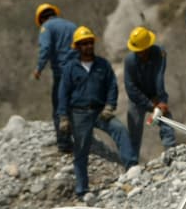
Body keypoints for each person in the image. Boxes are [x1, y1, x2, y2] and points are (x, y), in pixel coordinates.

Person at [56, 26, 138, 198]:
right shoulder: (70, 68)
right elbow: (63, 93)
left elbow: (112, 86)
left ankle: (132, 168)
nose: (88, 46)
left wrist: (110, 106)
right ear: (77, 47)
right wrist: (63, 116)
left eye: (90, 42)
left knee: (120, 130)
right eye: (84, 43)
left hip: (101, 112)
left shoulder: (103, 65)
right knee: (81, 150)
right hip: (79, 114)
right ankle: (82, 189)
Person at [123, 26, 177, 158]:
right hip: (137, 99)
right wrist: (150, 105)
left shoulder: (159, 53)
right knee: (134, 127)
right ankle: (132, 162)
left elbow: (159, 77)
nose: (140, 54)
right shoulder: (129, 61)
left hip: (155, 94)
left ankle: (170, 151)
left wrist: (161, 101)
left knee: (165, 117)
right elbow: (131, 89)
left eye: (142, 51)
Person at [33, 3, 76, 153]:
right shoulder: (71, 25)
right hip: (78, 71)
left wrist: (39, 68)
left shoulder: (46, 27)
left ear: (41, 19)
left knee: (60, 108)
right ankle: (79, 138)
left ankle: (64, 144)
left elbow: (45, 48)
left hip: (62, 73)